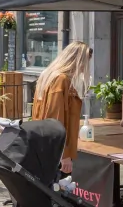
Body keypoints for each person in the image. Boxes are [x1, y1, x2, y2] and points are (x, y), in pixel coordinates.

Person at [32, 42, 93, 174]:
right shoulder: (61, 79)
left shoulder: (48, 75)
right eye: (85, 61)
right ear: (77, 60)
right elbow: (56, 119)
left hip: (44, 145)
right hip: (55, 150)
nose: (85, 66)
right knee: (58, 190)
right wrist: (64, 155)